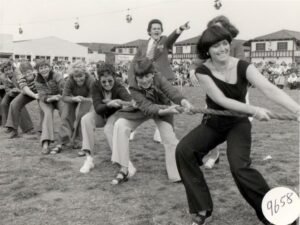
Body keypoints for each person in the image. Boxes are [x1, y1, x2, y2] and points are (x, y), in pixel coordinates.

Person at [175, 26, 300, 225]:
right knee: (184, 150)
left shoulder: (243, 66)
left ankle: (276, 215)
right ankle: (203, 208)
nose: (222, 48)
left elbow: (269, 89)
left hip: (238, 124)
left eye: (225, 43)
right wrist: (253, 109)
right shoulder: (203, 71)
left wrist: (297, 110)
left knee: (239, 167)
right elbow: (220, 99)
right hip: (214, 123)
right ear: (207, 50)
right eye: (216, 46)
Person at [110, 58, 193, 185]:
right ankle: (124, 168)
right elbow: (148, 107)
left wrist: (183, 102)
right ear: (135, 76)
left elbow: (172, 92)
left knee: (170, 139)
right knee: (120, 125)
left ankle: (176, 174)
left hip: (162, 107)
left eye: (147, 76)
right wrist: (167, 111)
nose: (144, 81)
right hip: (142, 108)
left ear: (152, 73)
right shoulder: (133, 85)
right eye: (140, 77)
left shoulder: (159, 78)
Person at [129, 19, 190, 143]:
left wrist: (181, 29)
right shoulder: (142, 46)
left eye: (159, 28)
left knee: (166, 106)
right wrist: (132, 81)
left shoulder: (164, 41)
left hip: (163, 79)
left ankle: (161, 133)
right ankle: (132, 130)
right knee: (141, 105)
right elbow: (135, 63)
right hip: (145, 80)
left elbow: (172, 38)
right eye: (154, 28)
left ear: (161, 31)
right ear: (149, 31)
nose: (157, 30)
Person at [202, 15, 247, 169]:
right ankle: (214, 155)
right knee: (210, 123)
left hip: (236, 92)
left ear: (227, 28)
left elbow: (243, 65)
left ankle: (239, 158)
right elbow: (198, 62)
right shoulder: (209, 46)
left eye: (220, 27)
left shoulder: (236, 44)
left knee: (237, 126)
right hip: (216, 91)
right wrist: (193, 70)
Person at [79, 63, 132, 174]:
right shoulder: (95, 86)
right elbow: (97, 108)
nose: (107, 84)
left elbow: (129, 101)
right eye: (104, 82)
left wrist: (122, 103)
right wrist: (109, 104)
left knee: (108, 128)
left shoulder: (119, 86)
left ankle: (123, 161)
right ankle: (89, 159)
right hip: (101, 113)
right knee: (85, 119)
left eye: (110, 81)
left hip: (114, 115)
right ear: (99, 79)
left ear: (114, 77)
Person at [50, 62, 95, 154]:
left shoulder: (91, 80)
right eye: (76, 77)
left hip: (87, 99)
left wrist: (84, 99)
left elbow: (94, 97)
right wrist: (73, 98)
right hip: (72, 97)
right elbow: (64, 97)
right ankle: (62, 141)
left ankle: (80, 142)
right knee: (66, 116)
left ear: (85, 74)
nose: (78, 79)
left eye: (80, 76)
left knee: (82, 117)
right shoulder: (70, 80)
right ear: (72, 76)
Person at [35, 59, 65, 154]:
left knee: (65, 110)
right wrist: (51, 98)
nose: (44, 70)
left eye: (46, 67)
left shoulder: (57, 75)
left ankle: (70, 137)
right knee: (47, 114)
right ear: (38, 70)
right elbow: (42, 96)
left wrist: (59, 95)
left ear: (50, 67)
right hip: (46, 100)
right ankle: (45, 142)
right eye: (41, 68)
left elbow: (63, 88)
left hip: (59, 97)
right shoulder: (37, 80)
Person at [5, 62, 42, 138]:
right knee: (14, 104)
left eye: (28, 72)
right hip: (28, 92)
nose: (27, 74)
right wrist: (34, 95)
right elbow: (26, 90)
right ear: (22, 73)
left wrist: (40, 95)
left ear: (32, 70)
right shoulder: (21, 79)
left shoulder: (39, 76)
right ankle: (14, 130)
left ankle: (43, 129)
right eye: (24, 73)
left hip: (40, 92)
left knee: (43, 107)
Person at [0, 61, 34, 134]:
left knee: (19, 104)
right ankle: (8, 126)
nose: (9, 72)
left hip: (21, 90)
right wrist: (10, 92)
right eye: (6, 70)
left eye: (10, 69)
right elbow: (6, 88)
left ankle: (28, 128)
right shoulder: (2, 77)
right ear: (3, 71)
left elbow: (23, 86)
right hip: (10, 92)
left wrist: (17, 90)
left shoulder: (18, 74)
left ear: (13, 68)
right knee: (3, 103)